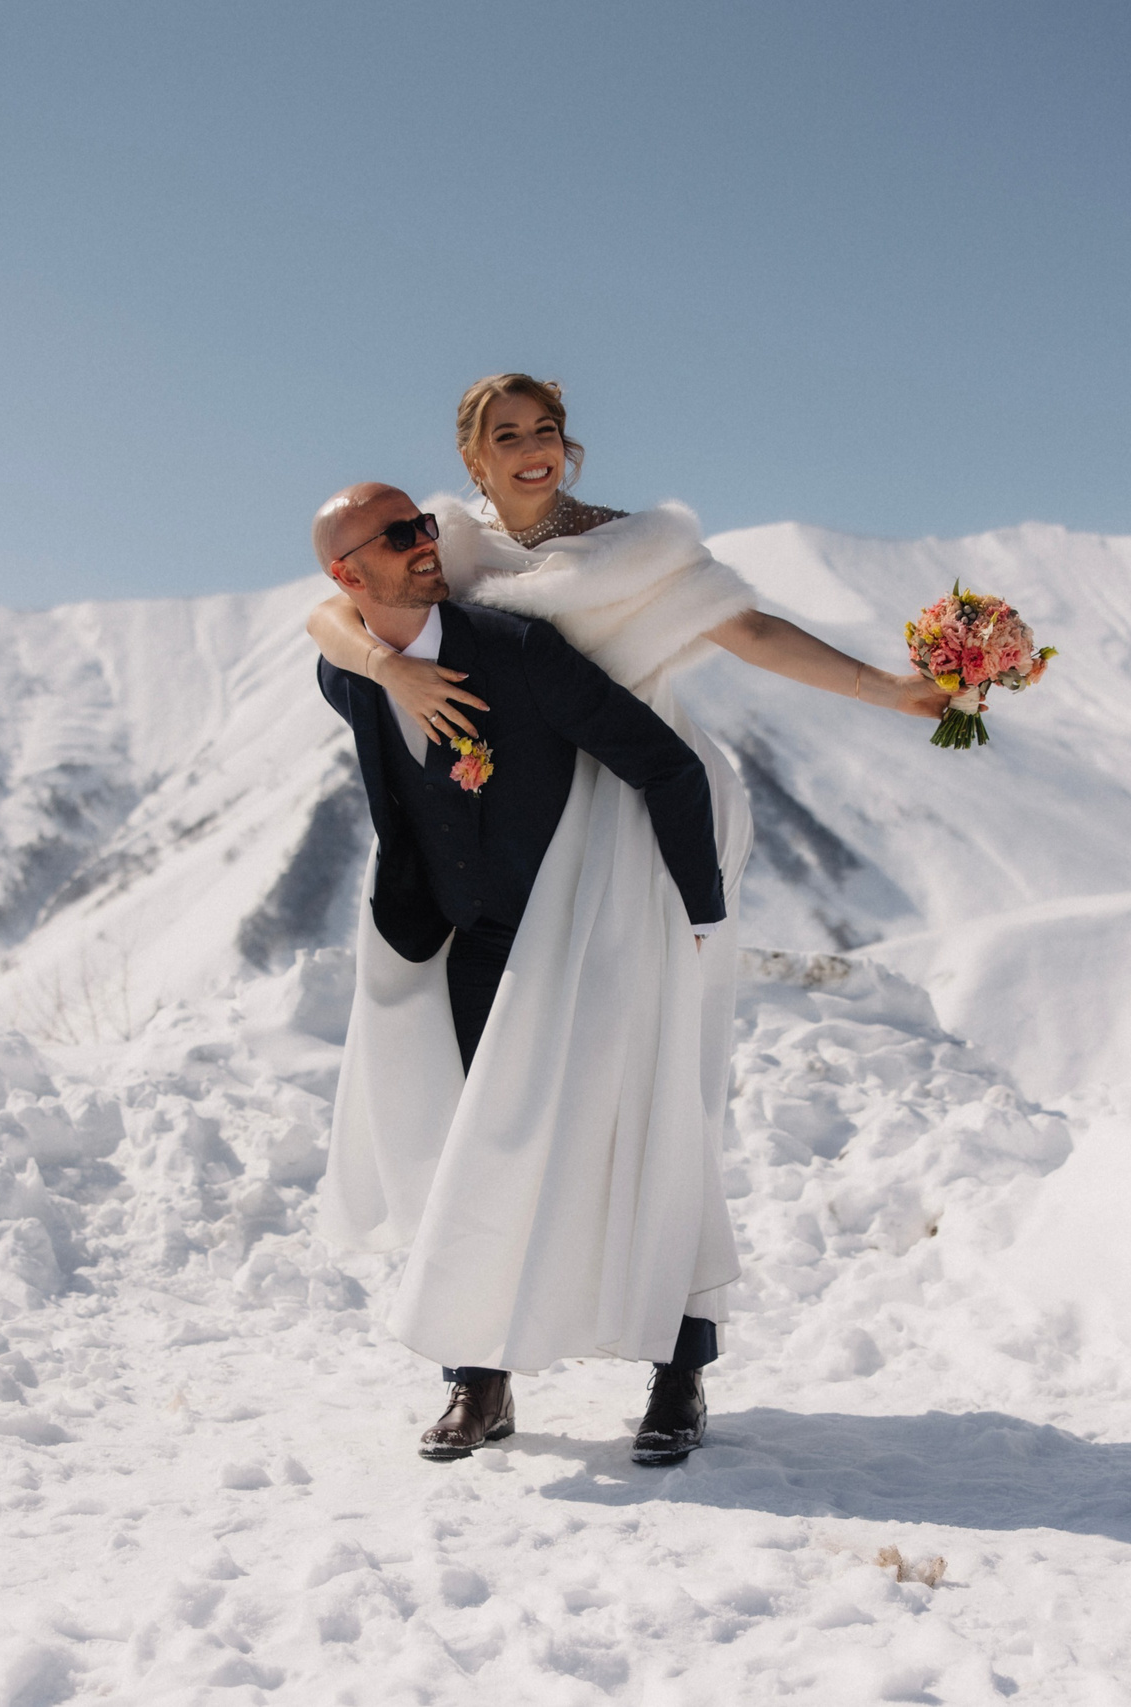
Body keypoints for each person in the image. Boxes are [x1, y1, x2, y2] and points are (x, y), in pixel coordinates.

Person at [309, 376, 946, 1467]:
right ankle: (483, 1372)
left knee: (649, 1105)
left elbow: (744, 628)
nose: (531, 452)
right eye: (505, 438)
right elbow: (334, 613)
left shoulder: (629, 552)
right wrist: (383, 670)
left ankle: (677, 1366)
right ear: (468, 461)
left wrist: (893, 692)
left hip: (637, 832)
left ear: (569, 444)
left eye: (545, 432)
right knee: (491, 1124)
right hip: (508, 858)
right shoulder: (442, 545)